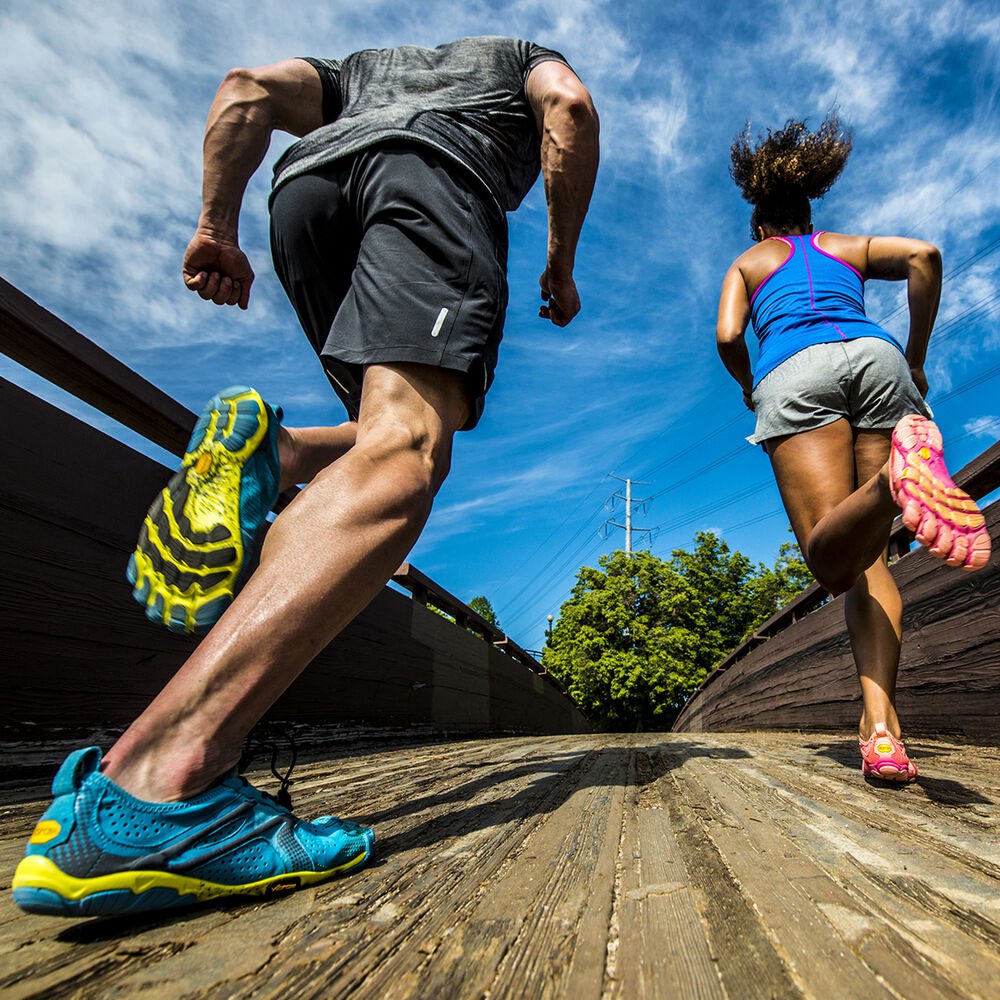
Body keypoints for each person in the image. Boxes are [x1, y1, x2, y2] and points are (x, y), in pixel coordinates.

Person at [13, 36, 599, 918]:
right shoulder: (518, 60)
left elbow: (244, 87)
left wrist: (216, 227)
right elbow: (570, 108)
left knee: (383, 436)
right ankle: (161, 780)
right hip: (433, 182)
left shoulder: (358, 73)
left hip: (306, 194)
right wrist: (559, 258)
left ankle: (276, 454)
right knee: (407, 454)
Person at [715, 114, 990, 783]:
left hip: (794, 370)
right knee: (872, 560)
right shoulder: (842, 246)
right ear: (809, 215)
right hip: (878, 359)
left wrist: (754, 385)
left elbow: (727, 335)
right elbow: (925, 256)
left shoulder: (751, 261)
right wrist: (916, 358)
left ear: (761, 224)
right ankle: (882, 730)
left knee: (832, 564)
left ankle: (896, 479)